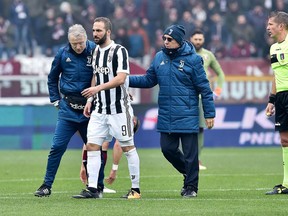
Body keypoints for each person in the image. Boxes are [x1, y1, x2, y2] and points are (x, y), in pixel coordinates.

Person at [129, 24, 215, 198]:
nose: (166, 42)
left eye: (170, 39)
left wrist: (209, 113)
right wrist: (125, 80)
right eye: (164, 39)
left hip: (188, 113)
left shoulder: (193, 60)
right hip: (167, 114)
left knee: (191, 154)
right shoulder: (159, 57)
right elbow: (148, 80)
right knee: (167, 149)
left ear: (179, 41)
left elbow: (204, 89)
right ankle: (188, 173)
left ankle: (191, 187)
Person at [73, 17, 141, 199]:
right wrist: (90, 100)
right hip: (100, 109)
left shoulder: (119, 51)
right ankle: (93, 189)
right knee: (92, 145)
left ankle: (136, 190)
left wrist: (97, 88)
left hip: (119, 109)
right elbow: (96, 76)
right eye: (94, 30)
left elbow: (121, 78)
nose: (95, 34)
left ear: (108, 32)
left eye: (99, 31)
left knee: (128, 147)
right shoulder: (95, 52)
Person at [34, 24, 96, 197]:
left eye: (81, 43)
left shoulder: (95, 51)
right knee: (57, 147)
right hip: (67, 110)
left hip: (89, 110)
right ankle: (46, 185)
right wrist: (55, 100)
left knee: (94, 149)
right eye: (74, 43)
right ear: (69, 41)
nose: (78, 46)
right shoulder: (62, 53)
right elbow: (52, 78)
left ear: (86, 39)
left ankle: (96, 186)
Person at [190, 29, 225, 170]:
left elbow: (220, 74)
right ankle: (185, 160)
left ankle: (196, 160)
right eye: (196, 39)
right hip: (185, 97)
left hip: (201, 97)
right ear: (191, 39)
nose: (198, 41)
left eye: (200, 39)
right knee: (184, 129)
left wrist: (217, 91)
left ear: (203, 40)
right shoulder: (185, 53)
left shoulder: (208, 55)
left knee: (199, 129)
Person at [265, 11, 288, 195]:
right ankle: (286, 183)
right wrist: (271, 100)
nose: (268, 27)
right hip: (281, 97)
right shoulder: (273, 49)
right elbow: (276, 75)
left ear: (281, 26)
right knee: (285, 140)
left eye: (271, 24)